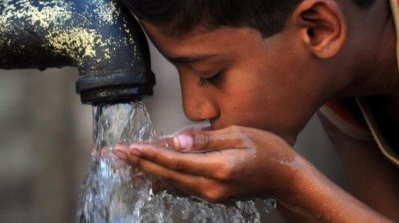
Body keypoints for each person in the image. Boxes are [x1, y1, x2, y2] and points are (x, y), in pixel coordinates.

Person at [114, 0, 399, 222]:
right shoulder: (341, 91)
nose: (194, 108)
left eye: (211, 74)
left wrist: (290, 182)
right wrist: (268, 184)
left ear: (319, 29)